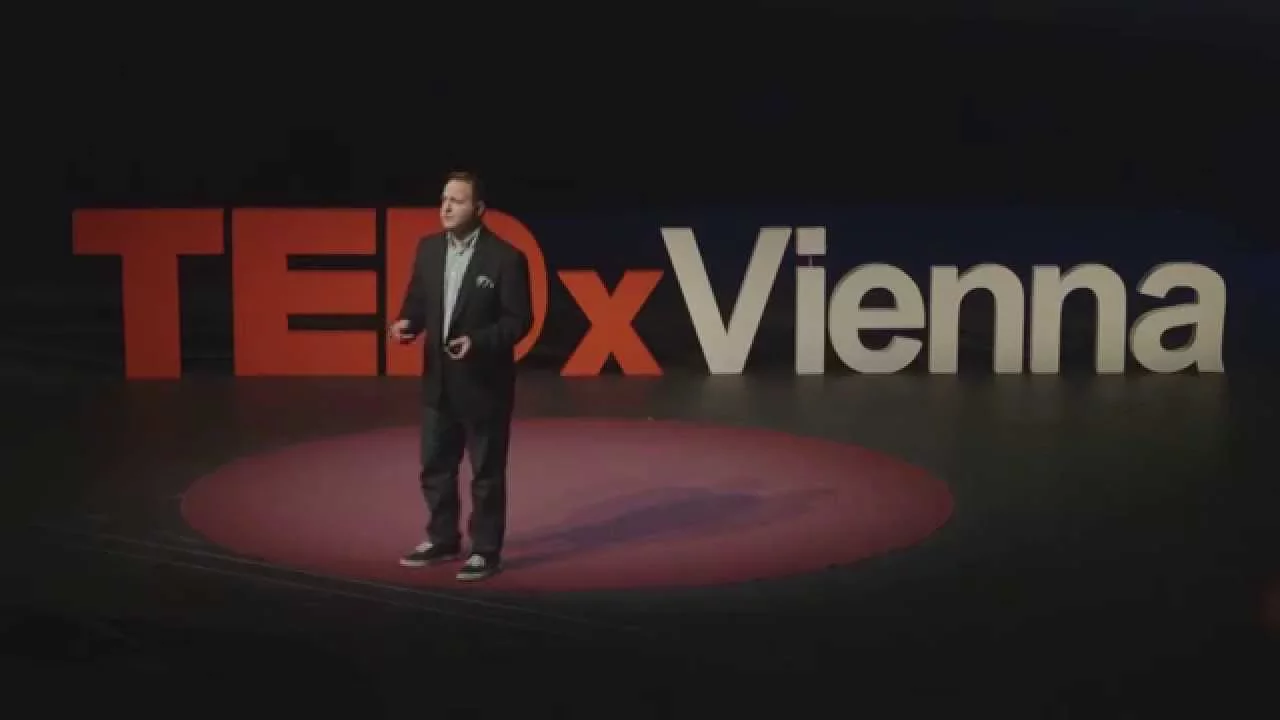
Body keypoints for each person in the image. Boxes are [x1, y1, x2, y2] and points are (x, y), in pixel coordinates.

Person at [389, 170, 533, 581]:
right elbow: (418, 302)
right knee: (435, 465)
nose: (446, 207)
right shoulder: (429, 249)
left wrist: (479, 342)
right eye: (444, 199)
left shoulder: (506, 258)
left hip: (485, 386)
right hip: (438, 382)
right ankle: (442, 539)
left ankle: (485, 550)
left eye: (457, 200)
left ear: (479, 209)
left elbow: (518, 321)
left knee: (486, 474)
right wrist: (407, 324)